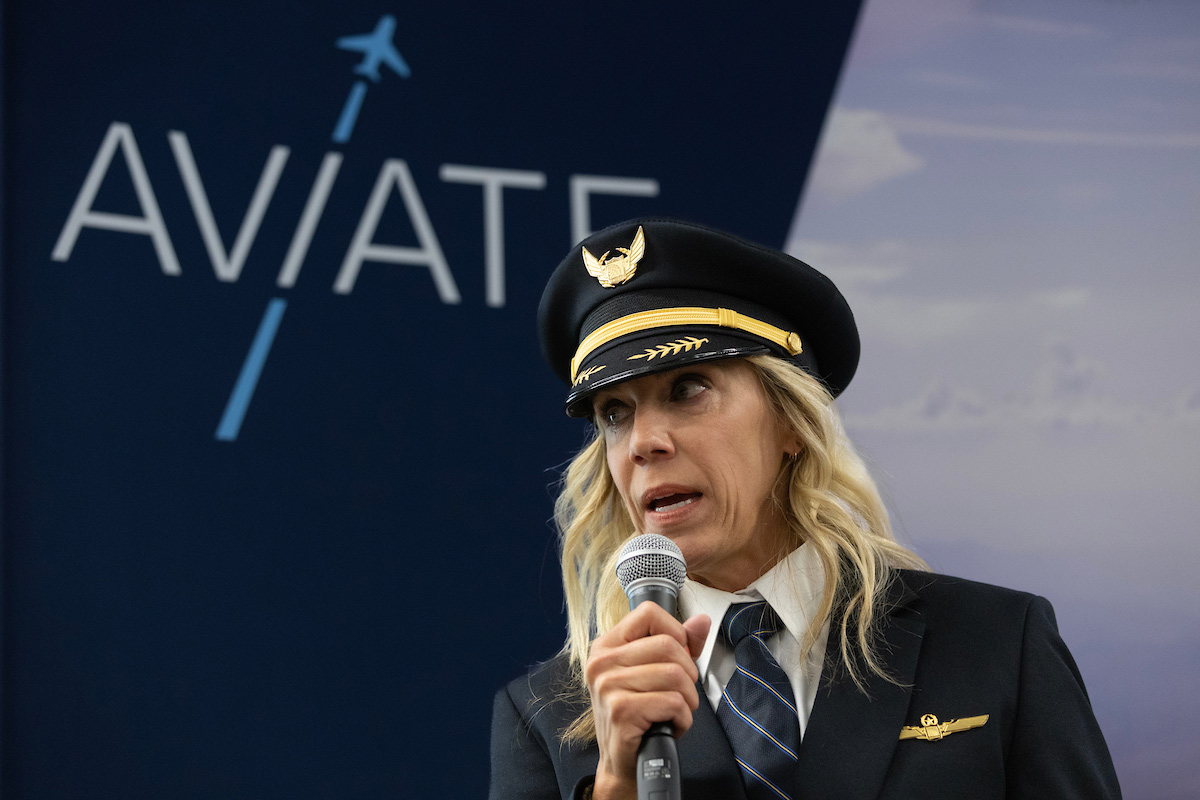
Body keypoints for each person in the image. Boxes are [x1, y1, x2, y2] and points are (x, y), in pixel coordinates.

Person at [490, 218, 1122, 800]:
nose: (644, 442)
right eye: (614, 414)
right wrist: (618, 788)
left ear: (791, 422)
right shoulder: (546, 717)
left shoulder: (996, 644)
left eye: (687, 389)